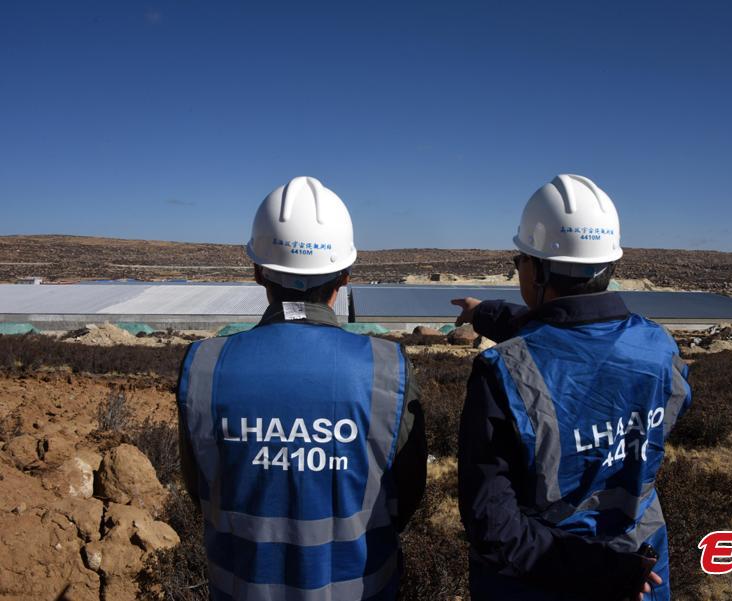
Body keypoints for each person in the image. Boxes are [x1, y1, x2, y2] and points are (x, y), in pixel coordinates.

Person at [177, 176, 426, 601]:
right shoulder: (388, 369)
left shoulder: (204, 366)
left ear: (257, 270)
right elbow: (405, 495)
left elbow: (197, 484)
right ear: (345, 275)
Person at [453, 174, 691, 601]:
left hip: (545, 579)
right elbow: (571, 329)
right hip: (643, 566)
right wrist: (484, 313)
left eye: (520, 260)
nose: (518, 269)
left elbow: (494, 526)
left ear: (540, 270)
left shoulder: (500, 373)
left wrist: (602, 572)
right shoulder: (660, 348)